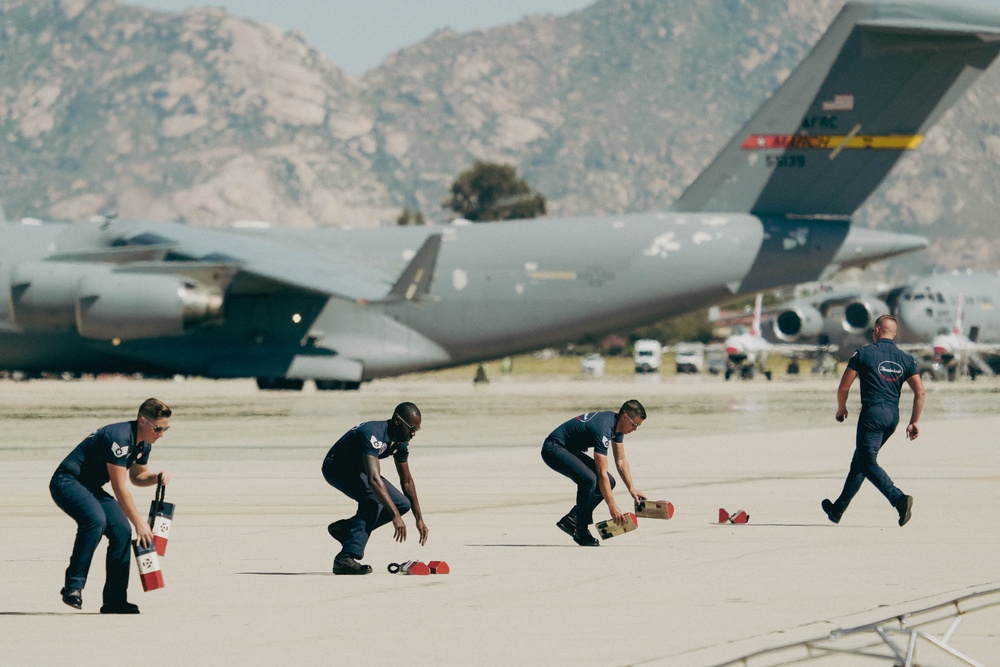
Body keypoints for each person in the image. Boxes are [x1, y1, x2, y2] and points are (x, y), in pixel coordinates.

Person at [49, 398, 172, 613]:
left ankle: (114, 600)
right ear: (143, 421)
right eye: (158, 428)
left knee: (122, 531)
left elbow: (137, 476)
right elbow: (119, 486)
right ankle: (73, 586)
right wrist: (140, 523)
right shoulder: (119, 438)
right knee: (95, 520)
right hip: (67, 481)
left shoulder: (144, 444)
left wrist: (155, 477)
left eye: (166, 429)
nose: (161, 434)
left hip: (91, 487)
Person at [823, 315, 925, 527]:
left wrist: (841, 409)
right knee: (860, 462)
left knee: (868, 463)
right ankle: (837, 509)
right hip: (892, 417)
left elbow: (843, 387)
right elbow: (920, 392)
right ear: (893, 333)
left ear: (877, 330)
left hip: (872, 415)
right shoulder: (906, 359)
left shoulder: (864, 353)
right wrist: (914, 421)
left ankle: (898, 498)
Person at [322, 402, 429, 574]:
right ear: (397, 422)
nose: (414, 433)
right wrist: (394, 516)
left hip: (358, 469)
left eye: (417, 429)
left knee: (402, 504)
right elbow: (373, 479)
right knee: (372, 500)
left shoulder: (401, 441)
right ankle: (345, 558)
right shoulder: (372, 433)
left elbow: (407, 481)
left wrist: (419, 518)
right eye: (411, 428)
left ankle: (346, 530)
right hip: (337, 468)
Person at [541, 399, 647, 546]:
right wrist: (612, 506)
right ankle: (581, 530)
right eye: (634, 425)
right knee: (589, 479)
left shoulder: (617, 428)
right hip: (553, 448)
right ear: (624, 417)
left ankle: (573, 519)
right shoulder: (603, 428)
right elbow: (601, 472)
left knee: (610, 482)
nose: (635, 429)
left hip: (568, 449)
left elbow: (621, 460)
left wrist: (632, 489)